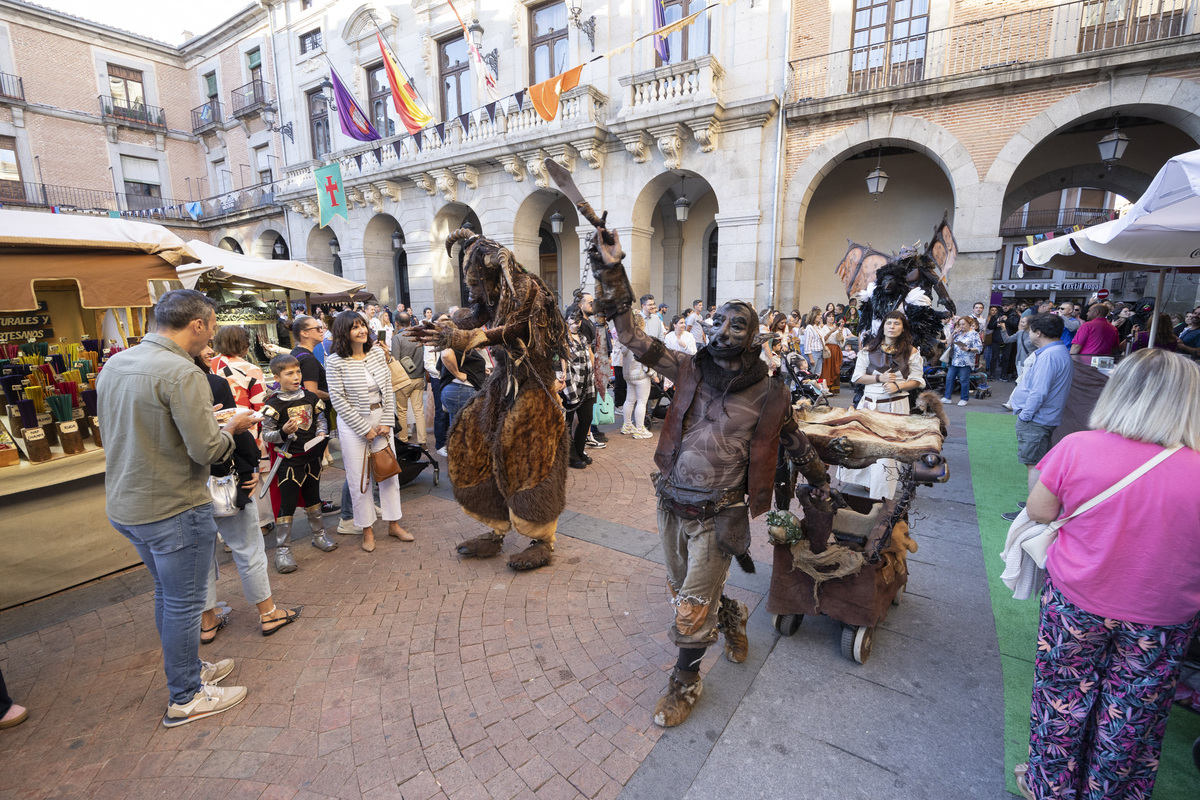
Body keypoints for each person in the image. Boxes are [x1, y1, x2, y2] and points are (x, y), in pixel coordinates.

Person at [587, 227, 831, 729]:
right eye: (717, 321)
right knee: (684, 596)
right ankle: (732, 615)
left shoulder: (770, 395)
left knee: (690, 606)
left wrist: (820, 481)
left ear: (755, 337)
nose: (721, 331)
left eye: (735, 326)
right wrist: (611, 269)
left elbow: (795, 444)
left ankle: (685, 680)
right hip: (670, 503)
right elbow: (632, 337)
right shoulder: (687, 368)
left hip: (720, 516)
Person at [1014, 348, 1200, 800]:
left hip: (1076, 601)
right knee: (1132, 715)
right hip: (1163, 615)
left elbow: (1039, 510)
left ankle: (1049, 787)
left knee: (1062, 698)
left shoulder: (1078, 447)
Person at [97, 289, 257, 727]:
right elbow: (206, 448)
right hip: (172, 506)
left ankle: (187, 670)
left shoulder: (117, 362)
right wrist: (236, 426)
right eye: (212, 324)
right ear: (199, 325)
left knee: (170, 597)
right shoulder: (181, 373)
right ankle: (185, 695)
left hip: (128, 504)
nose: (213, 334)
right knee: (183, 601)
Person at [196, 347, 302, 636]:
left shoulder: (158, 386)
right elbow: (237, 430)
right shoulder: (212, 383)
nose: (209, 352)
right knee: (248, 547)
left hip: (186, 487)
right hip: (224, 478)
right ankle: (268, 613)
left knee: (200, 555)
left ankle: (207, 622)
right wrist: (250, 467)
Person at [325, 310, 412, 552]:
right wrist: (364, 428)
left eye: (363, 325)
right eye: (355, 327)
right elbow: (338, 399)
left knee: (388, 472)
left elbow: (387, 387)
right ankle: (367, 529)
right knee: (358, 478)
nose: (362, 330)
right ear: (344, 332)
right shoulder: (334, 361)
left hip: (380, 418)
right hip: (353, 424)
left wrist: (385, 421)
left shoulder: (376, 352)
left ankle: (394, 524)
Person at [262, 353, 337, 571]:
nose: (296, 377)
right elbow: (266, 434)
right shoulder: (273, 404)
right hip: (288, 462)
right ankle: (283, 549)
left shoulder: (311, 398)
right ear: (277, 376)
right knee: (287, 504)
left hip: (311, 458)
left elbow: (321, 420)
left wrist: (321, 436)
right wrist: (283, 432)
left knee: (314, 498)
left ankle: (319, 535)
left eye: (298, 372)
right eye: (289, 373)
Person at [839, 311, 926, 498]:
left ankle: (882, 491)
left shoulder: (911, 351)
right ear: (883, 326)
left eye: (896, 323)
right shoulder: (869, 349)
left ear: (903, 327)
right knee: (866, 444)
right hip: (870, 405)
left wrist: (898, 385)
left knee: (888, 448)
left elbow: (918, 380)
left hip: (896, 405)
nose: (892, 327)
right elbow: (857, 377)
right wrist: (880, 377)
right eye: (889, 323)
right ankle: (867, 482)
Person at [1001, 313, 1073, 522]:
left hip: (1037, 419)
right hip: (1043, 418)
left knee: (1033, 464)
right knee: (1037, 463)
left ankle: (1032, 511)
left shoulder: (1050, 355)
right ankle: (1035, 503)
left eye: (1030, 329)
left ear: (1038, 332)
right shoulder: (1057, 351)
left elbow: (1039, 392)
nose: (1028, 333)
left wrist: (1026, 415)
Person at [561, 304, 597, 468]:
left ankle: (579, 449)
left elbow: (590, 356)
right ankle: (570, 455)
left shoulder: (583, 337)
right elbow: (562, 361)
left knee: (586, 419)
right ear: (567, 319)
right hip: (570, 384)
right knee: (568, 421)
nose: (576, 323)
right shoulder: (562, 338)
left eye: (578, 320)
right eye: (573, 320)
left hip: (586, 383)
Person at [390, 312, 427, 448]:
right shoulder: (418, 336)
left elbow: (395, 359)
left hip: (403, 379)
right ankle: (423, 442)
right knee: (419, 411)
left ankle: (404, 440)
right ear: (410, 323)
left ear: (397, 323)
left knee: (402, 411)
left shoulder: (397, 338)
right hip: (418, 377)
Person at [620, 312, 654, 440]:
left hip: (629, 375)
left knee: (629, 400)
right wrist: (652, 373)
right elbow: (646, 360)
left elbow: (622, 353)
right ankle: (640, 429)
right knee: (641, 402)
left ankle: (627, 425)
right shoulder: (642, 339)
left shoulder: (625, 338)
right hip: (640, 375)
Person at [943, 315, 982, 406]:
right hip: (955, 360)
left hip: (966, 361)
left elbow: (979, 348)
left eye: (963, 324)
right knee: (949, 378)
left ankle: (964, 398)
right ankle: (947, 397)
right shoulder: (958, 333)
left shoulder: (974, 334)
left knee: (964, 380)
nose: (961, 326)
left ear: (969, 324)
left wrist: (967, 349)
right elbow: (948, 344)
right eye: (960, 324)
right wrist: (953, 334)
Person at [820, 311, 845, 393]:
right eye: (829, 316)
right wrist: (831, 331)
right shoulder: (823, 328)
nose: (831, 317)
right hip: (828, 349)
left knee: (835, 368)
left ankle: (834, 389)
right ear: (825, 318)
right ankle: (826, 388)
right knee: (827, 369)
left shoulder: (837, 327)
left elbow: (840, 341)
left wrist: (840, 333)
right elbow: (823, 339)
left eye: (833, 316)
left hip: (836, 349)